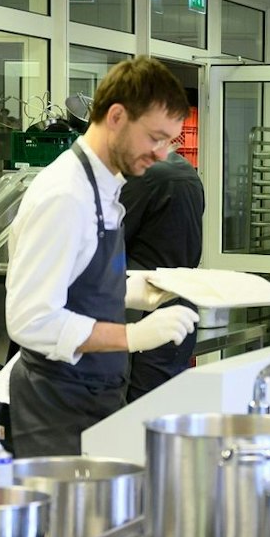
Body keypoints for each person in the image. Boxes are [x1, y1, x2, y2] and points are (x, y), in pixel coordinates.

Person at [0, 57, 199, 457]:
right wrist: (132, 336)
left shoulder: (104, 188)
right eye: (154, 137)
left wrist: (133, 292)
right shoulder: (64, 196)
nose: (161, 154)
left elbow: (78, 280)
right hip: (54, 406)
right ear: (118, 116)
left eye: (169, 142)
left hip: (94, 394)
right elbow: (31, 320)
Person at [119, 148, 205, 402]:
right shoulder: (185, 169)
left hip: (146, 305)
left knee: (137, 410)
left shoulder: (144, 175)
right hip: (181, 302)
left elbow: (109, 239)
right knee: (162, 405)